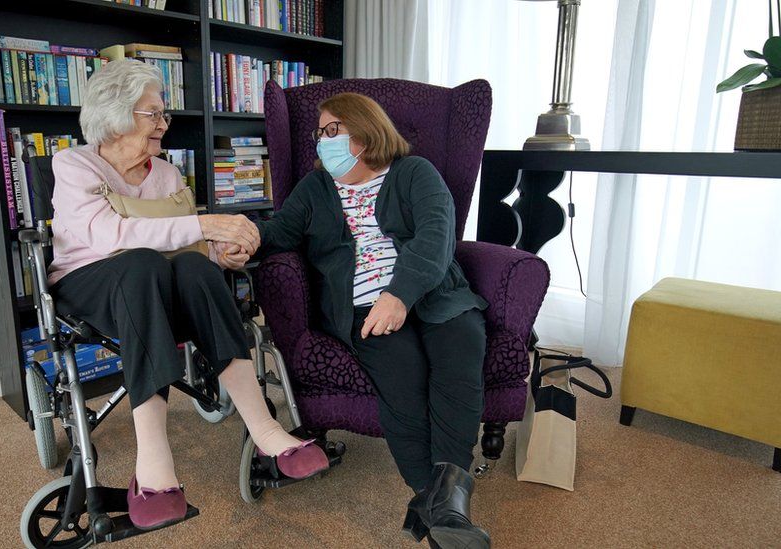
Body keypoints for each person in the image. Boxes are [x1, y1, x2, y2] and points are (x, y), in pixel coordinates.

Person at [47, 59, 328, 530]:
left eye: (163, 114)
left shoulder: (166, 175)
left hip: (155, 287)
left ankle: (264, 428)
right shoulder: (74, 164)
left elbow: (188, 246)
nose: (164, 124)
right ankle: (152, 459)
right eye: (152, 114)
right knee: (139, 262)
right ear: (115, 114)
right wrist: (203, 223)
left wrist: (221, 255)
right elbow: (107, 236)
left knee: (194, 265)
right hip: (89, 283)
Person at [242, 93, 491, 548]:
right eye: (319, 134)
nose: (322, 142)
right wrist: (244, 237)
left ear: (365, 131)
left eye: (332, 130)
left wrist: (400, 293)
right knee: (404, 381)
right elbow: (280, 231)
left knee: (460, 355)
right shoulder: (316, 189)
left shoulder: (414, 172)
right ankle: (438, 508)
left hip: (436, 295)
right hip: (362, 307)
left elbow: (438, 233)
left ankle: (447, 505)